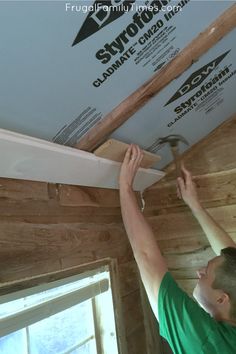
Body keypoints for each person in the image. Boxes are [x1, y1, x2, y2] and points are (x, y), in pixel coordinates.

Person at [119, 144, 236, 353]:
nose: (199, 272)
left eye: (205, 274)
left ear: (222, 298)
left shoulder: (207, 345)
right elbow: (231, 260)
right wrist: (194, 203)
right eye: (205, 272)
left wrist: (125, 186)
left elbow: (146, 257)